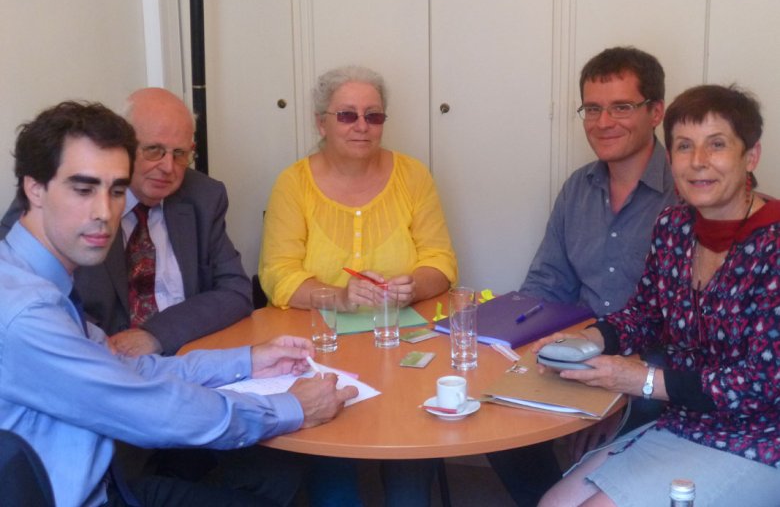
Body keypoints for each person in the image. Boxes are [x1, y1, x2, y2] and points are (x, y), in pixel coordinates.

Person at [0, 100, 356, 507]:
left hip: (110, 481)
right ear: (34, 189)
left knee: (270, 480)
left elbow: (132, 369)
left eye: (116, 190)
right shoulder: (26, 311)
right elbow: (146, 405)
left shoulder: (34, 278)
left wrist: (247, 361)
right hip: (92, 491)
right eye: (83, 189)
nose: (104, 212)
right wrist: (289, 407)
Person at [537, 84, 780, 507]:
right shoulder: (674, 226)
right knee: (552, 504)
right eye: (684, 146)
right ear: (671, 159)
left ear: (750, 156)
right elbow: (645, 315)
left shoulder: (774, 243)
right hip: (685, 423)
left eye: (717, 145)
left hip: (761, 440)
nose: (699, 162)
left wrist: (640, 379)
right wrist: (589, 341)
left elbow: (759, 385)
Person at [259, 65, 458, 507]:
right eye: (347, 115)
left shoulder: (413, 176)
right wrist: (340, 297)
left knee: (411, 454)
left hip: (406, 349)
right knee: (332, 464)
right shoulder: (294, 184)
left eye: (374, 116)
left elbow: (441, 263)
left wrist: (415, 286)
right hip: (322, 350)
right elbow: (277, 274)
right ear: (321, 122)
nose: (363, 126)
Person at [488, 46, 677, 505]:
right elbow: (546, 284)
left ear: (656, 112)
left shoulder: (687, 190)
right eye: (592, 108)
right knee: (492, 418)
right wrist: (512, 350)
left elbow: (687, 327)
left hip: (654, 367)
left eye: (621, 107)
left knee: (617, 432)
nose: (603, 121)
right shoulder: (578, 187)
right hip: (580, 353)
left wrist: (618, 393)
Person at [0, 87, 252, 357]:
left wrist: (156, 334)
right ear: (123, 148)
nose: (169, 167)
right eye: (154, 150)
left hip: (189, 351)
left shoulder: (204, 196)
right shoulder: (50, 202)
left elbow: (236, 291)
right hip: (98, 361)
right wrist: (99, 343)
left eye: (180, 154)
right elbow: (29, 295)